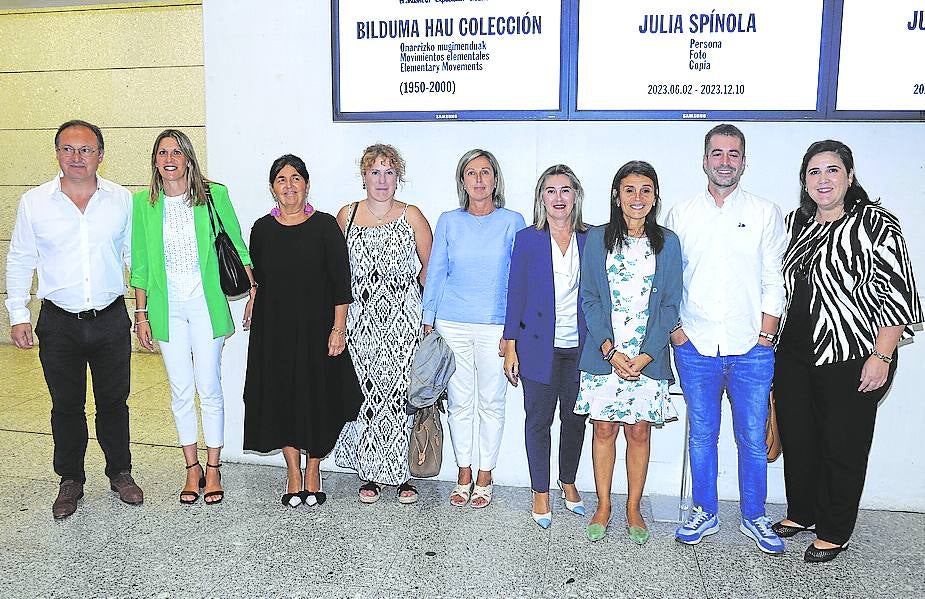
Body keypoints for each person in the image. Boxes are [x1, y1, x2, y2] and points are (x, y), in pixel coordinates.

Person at [772, 140, 922, 563]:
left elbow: (897, 295)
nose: (823, 179)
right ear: (804, 180)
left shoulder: (876, 224)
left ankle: (835, 530)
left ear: (850, 176)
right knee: (799, 439)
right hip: (795, 353)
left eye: (832, 170)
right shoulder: (793, 224)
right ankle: (803, 513)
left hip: (855, 354)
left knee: (844, 444)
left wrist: (884, 355)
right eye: (814, 172)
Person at [5, 119, 143, 519]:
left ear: (101, 154)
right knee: (66, 405)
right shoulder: (34, 203)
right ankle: (71, 479)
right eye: (68, 148)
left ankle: (120, 472)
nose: (77, 157)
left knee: (114, 402)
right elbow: (20, 260)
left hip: (109, 318)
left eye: (85, 149)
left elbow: (134, 260)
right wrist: (18, 314)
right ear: (57, 153)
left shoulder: (122, 201)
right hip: (58, 322)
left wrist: (143, 311)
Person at [665, 124, 788, 554]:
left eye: (733, 154)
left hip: (751, 347)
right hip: (696, 345)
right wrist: (677, 333)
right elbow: (669, 279)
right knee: (701, 435)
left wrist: (766, 334)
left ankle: (755, 517)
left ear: (743, 162)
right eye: (717, 153)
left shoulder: (765, 212)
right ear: (704, 160)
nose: (724, 161)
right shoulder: (681, 214)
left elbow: (775, 277)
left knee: (753, 438)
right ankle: (705, 512)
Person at [131, 129, 254, 505]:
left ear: (188, 158)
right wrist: (141, 314)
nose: (169, 159)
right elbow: (139, 264)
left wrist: (253, 293)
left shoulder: (214, 195)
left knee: (209, 386)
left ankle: (213, 467)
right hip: (168, 309)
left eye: (176, 152)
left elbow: (236, 246)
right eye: (162, 152)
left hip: (205, 304)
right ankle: (191, 467)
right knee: (180, 390)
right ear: (155, 160)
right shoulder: (143, 204)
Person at [243, 154, 362, 507]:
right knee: (281, 399)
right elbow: (260, 279)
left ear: (307, 185)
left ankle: (313, 469)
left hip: (317, 331)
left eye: (296, 178)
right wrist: (253, 297)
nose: (289, 185)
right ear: (272, 188)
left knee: (318, 400)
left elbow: (342, 284)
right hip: (274, 331)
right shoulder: (261, 229)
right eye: (282, 179)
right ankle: (293, 472)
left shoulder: (325, 226)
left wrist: (338, 329)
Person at [575, 161, 682, 543]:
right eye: (629, 190)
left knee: (638, 432)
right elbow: (589, 298)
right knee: (603, 428)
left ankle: (632, 507)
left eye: (646, 190)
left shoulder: (668, 243)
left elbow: (670, 304)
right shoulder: (598, 239)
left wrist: (648, 354)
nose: (637, 198)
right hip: (606, 355)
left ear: (654, 198)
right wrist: (609, 350)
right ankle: (603, 504)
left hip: (646, 357)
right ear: (616, 196)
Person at [421, 149, 525, 508]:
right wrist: (427, 318)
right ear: (462, 181)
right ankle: (463, 471)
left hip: (496, 325)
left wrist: (515, 329)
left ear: (495, 179)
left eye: (485, 172)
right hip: (452, 324)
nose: (478, 179)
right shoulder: (449, 221)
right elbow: (436, 270)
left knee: (492, 402)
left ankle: (485, 474)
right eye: (471, 173)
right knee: (460, 402)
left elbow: (520, 279)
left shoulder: (513, 221)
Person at [333, 144, 433, 504]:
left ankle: (405, 474)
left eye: (389, 172)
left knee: (399, 396)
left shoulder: (412, 215)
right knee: (368, 396)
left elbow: (431, 270)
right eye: (375, 172)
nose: (382, 179)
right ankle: (370, 473)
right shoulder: (345, 216)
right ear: (364, 176)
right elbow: (334, 273)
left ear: (398, 178)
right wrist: (337, 324)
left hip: (403, 323)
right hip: (359, 323)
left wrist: (426, 319)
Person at [502, 164, 590, 528]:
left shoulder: (593, 238)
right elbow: (515, 294)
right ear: (541, 197)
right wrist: (510, 345)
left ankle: (567, 481)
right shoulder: (527, 239)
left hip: (581, 348)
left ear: (576, 196)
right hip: (538, 346)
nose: (558, 197)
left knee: (575, 419)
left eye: (565, 190)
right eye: (551, 190)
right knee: (538, 420)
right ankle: (540, 490)